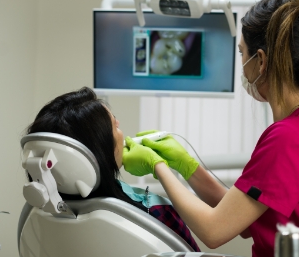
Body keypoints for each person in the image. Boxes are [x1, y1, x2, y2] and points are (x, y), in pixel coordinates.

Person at [122, 0, 299, 257]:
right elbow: (243, 219)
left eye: (241, 53)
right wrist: (187, 166)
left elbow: (214, 231)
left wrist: (159, 167)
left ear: (260, 61)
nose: (241, 65)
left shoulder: (287, 138)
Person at [24, 86, 200, 251]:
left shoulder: (38, 216)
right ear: (102, 150)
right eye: (115, 125)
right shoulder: (156, 213)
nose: (120, 126)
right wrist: (158, 165)